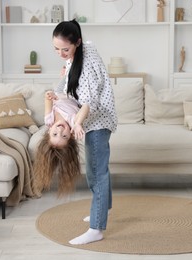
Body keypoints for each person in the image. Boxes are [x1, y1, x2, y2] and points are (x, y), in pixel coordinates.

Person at [52, 19, 117, 245]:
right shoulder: (76, 56)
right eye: (56, 49)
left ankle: (97, 228)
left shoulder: (87, 63)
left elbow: (89, 102)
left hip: (97, 120)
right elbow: (63, 90)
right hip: (90, 119)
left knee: (97, 173)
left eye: (65, 49)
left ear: (77, 43)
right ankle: (104, 209)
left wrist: (77, 123)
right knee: (94, 170)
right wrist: (64, 73)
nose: (61, 53)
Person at [33, 90, 89, 197]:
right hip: (74, 90)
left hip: (61, 89)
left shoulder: (49, 121)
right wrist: (78, 124)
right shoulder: (73, 122)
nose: (60, 130)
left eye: (54, 134)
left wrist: (49, 96)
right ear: (71, 135)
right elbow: (86, 106)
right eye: (64, 136)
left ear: (49, 131)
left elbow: (47, 100)